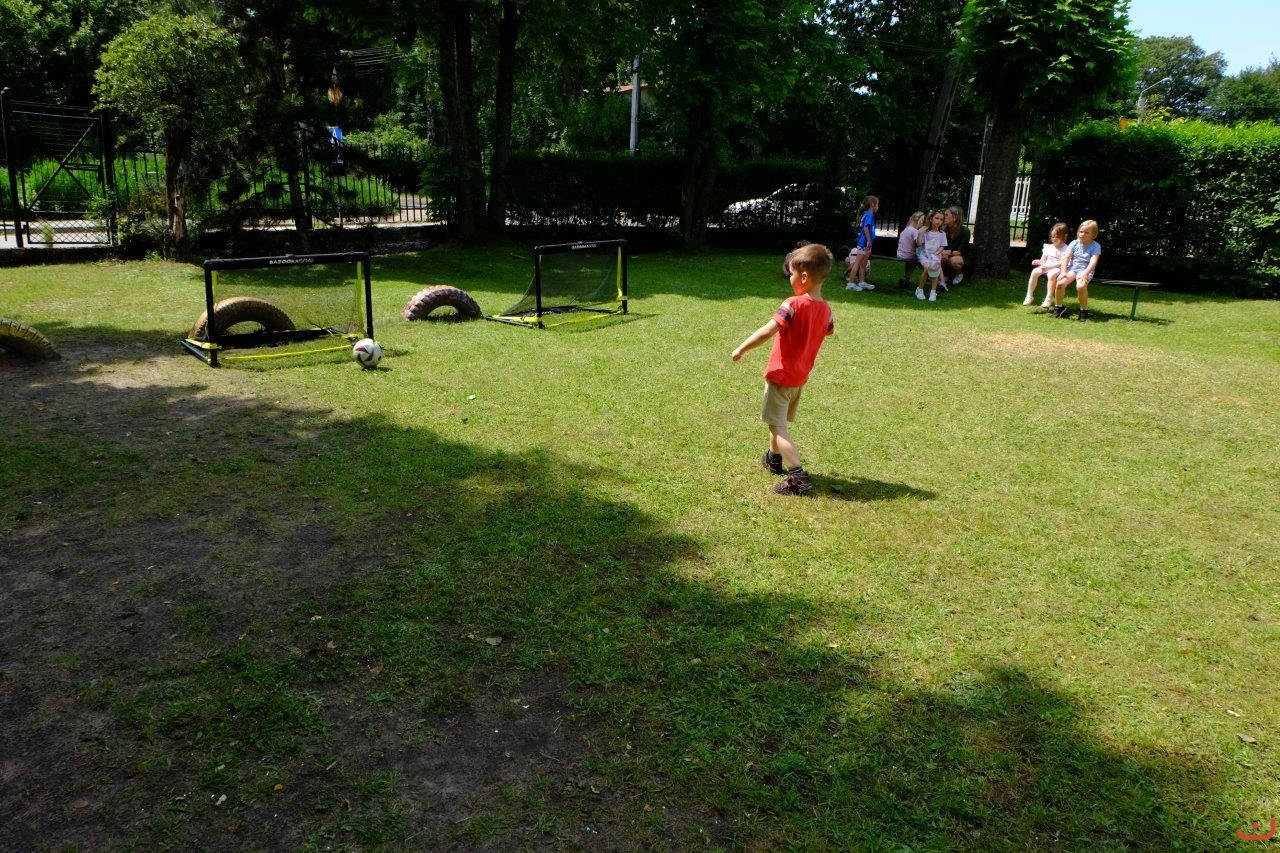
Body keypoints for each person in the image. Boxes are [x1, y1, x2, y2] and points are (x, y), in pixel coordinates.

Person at [732, 242, 834, 496]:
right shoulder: (826, 310)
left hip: (780, 376)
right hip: (799, 378)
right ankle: (773, 458)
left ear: (804, 277)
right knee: (775, 422)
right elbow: (828, 331)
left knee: (778, 427)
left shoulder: (792, 304)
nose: (789, 279)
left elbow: (767, 331)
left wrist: (742, 348)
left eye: (791, 274)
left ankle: (797, 475)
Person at [1053, 219, 1102, 321]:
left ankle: (1083, 310)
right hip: (1072, 269)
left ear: (1093, 235)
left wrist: (1085, 273)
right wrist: (1063, 272)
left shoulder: (1096, 246)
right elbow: (1066, 257)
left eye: (1086, 232)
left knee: (1081, 286)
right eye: (1081, 231)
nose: (1082, 234)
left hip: (1085, 270)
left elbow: (1093, 262)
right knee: (1060, 283)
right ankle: (1059, 307)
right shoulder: (1074, 243)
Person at [1025, 222, 1069, 307]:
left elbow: (1062, 262)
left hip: (1057, 267)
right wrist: (1038, 262)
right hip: (1046, 266)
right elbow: (1043, 260)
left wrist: (1050, 266)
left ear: (1064, 237)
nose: (1054, 239)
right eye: (1052, 237)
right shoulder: (1048, 247)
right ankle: (1029, 296)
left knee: (1051, 274)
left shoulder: (1066, 249)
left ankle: (1049, 298)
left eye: (1057, 237)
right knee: (1034, 272)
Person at [846, 195, 878, 292]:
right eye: (877, 204)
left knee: (863, 263)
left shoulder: (867, 214)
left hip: (865, 243)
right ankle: (851, 283)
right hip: (864, 243)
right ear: (872, 204)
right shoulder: (869, 214)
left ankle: (862, 282)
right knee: (858, 263)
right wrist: (869, 240)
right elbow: (865, 228)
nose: (878, 207)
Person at [914, 209, 947, 302]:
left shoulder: (942, 234)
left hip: (935, 255)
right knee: (928, 267)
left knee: (935, 269)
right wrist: (920, 233)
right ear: (931, 218)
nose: (938, 221)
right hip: (924, 255)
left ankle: (933, 291)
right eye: (937, 218)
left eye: (941, 219)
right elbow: (919, 244)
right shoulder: (925, 231)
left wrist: (936, 254)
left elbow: (942, 246)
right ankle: (920, 289)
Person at [896, 211, 926, 291]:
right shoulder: (915, 231)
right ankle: (927, 274)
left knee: (914, 260)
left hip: (900, 254)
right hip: (908, 255)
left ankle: (907, 277)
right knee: (922, 258)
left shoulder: (906, 229)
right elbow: (919, 244)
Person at [941, 205, 970, 286]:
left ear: (955, 217)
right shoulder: (943, 230)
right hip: (946, 255)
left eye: (946, 215)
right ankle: (944, 276)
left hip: (961, 257)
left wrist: (947, 252)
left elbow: (960, 252)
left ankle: (959, 274)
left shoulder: (965, 231)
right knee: (938, 257)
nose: (944, 217)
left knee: (954, 261)